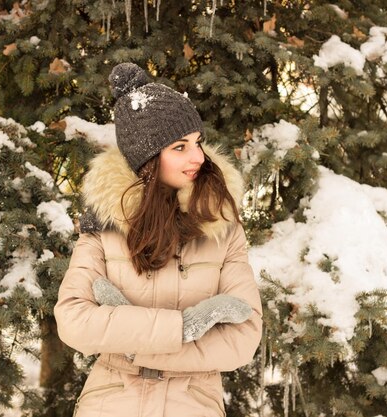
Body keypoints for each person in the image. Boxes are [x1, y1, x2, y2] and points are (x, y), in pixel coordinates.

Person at [54, 62, 263, 417]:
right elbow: (73, 321)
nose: (198, 157)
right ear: (147, 158)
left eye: (197, 143)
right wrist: (183, 328)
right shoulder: (104, 225)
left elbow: (241, 340)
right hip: (111, 400)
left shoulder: (222, 225)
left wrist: (129, 340)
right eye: (180, 147)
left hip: (193, 402)